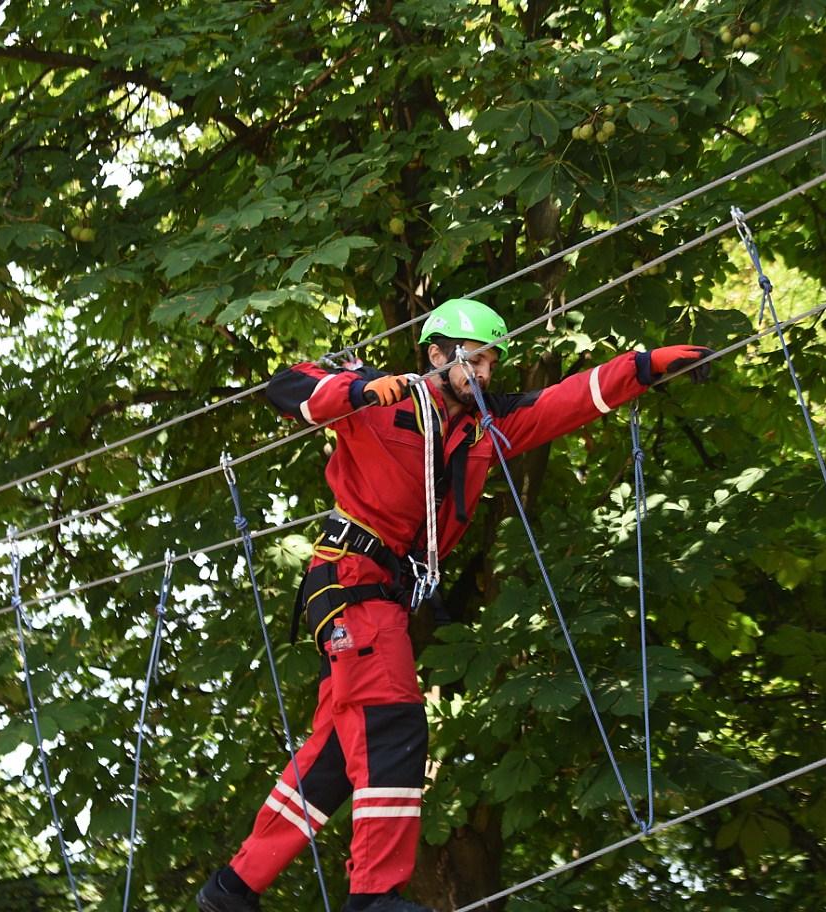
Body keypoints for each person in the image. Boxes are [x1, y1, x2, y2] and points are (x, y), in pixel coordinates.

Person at [197, 298, 712, 912]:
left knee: (335, 757)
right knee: (393, 722)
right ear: (437, 354)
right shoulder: (380, 405)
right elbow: (291, 387)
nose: (488, 375)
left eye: (494, 363)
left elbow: (564, 401)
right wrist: (360, 390)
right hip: (349, 582)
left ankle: (233, 888)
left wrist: (644, 367)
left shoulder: (481, 430)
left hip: (383, 596)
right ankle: (374, 896)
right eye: (477, 360)